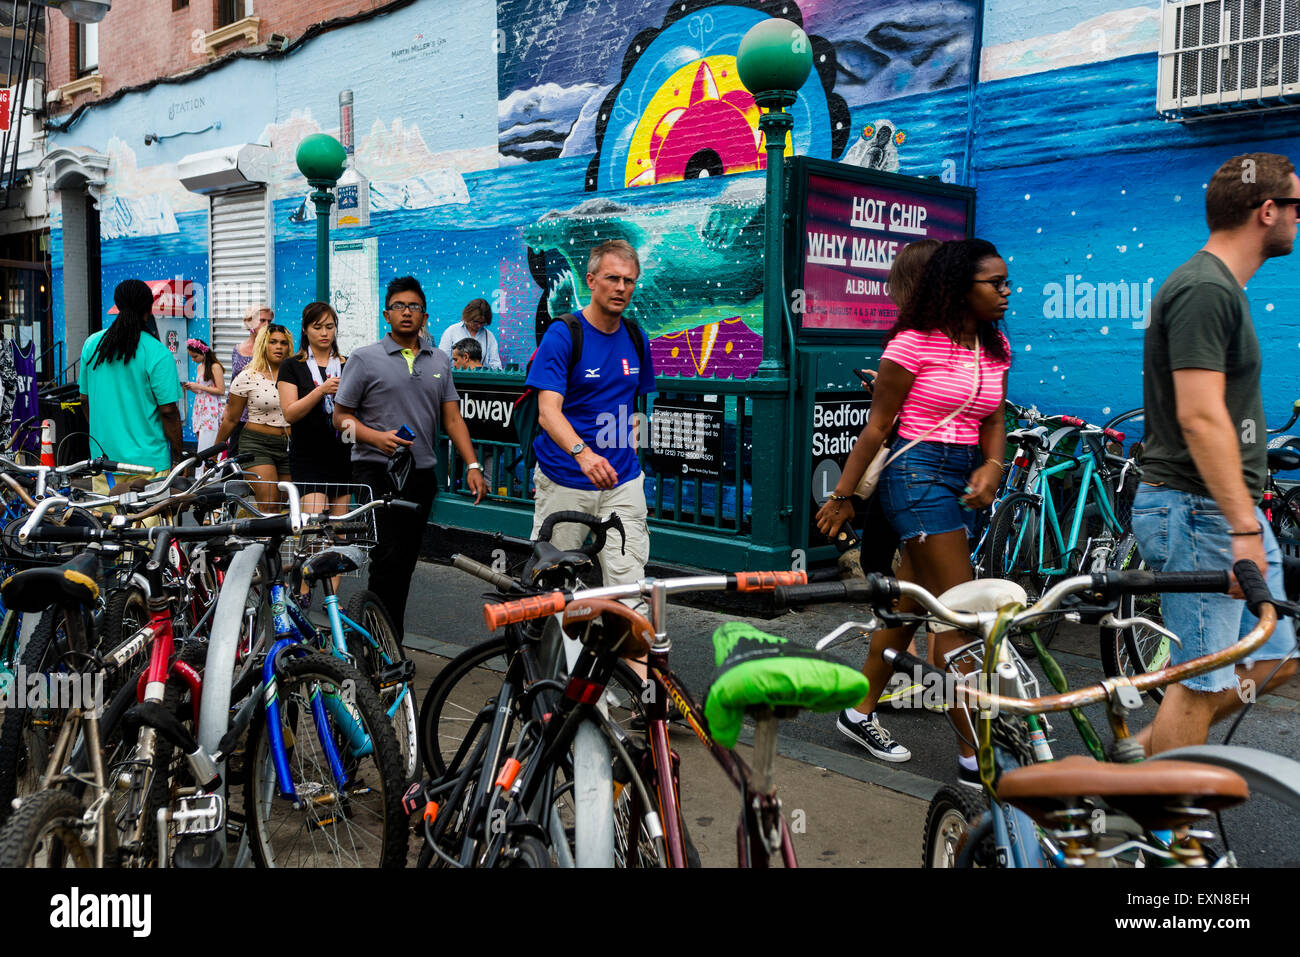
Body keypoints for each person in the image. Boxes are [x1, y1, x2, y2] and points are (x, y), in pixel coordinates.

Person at [815, 238, 1012, 788]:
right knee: (959, 616)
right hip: (916, 474)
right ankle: (976, 757)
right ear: (957, 287)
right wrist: (844, 495)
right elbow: (879, 426)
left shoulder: (994, 348)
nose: (1006, 293)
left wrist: (993, 466)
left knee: (908, 604)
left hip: (962, 474)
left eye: (1006, 283)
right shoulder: (912, 344)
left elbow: (994, 418)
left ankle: (857, 713)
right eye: (994, 284)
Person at [1132, 152, 1300, 755]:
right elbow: (1200, 417)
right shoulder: (1205, 288)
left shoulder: (1221, 287)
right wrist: (1242, 530)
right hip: (1201, 511)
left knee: (1276, 657)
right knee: (1202, 680)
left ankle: (1139, 762)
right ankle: (1161, 827)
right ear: (1267, 210)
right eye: (1296, 207)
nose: (1298, 221)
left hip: (1227, 511)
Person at [334, 277, 487, 639]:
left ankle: (383, 638)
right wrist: (375, 437)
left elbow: (452, 418)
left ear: (425, 316)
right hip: (375, 470)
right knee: (386, 557)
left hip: (420, 474)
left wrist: (474, 465)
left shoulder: (439, 361)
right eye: (400, 306)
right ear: (387, 314)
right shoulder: (364, 358)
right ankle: (383, 643)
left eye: (414, 307)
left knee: (404, 563)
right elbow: (340, 421)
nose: (407, 312)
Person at [527, 239, 655, 610]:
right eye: (612, 278)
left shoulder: (635, 336)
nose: (621, 288)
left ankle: (637, 670)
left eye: (629, 281)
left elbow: (631, 404)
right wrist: (584, 455)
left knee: (631, 591)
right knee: (554, 589)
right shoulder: (564, 333)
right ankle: (547, 667)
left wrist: (629, 448)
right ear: (591, 280)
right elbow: (547, 411)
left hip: (622, 482)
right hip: (566, 478)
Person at [277, 302, 352, 606]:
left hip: (341, 452)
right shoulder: (293, 366)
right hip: (308, 454)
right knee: (314, 527)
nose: (324, 333)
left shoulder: (347, 364)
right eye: (317, 327)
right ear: (305, 329)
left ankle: (332, 600)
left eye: (329, 326)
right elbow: (290, 413)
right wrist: (320, 391)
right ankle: (304, 589)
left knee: (340, 530)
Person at [79, 279, 183, 487]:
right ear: (148, 309)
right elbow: (169, 411)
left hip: (105, 463)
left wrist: (107, 433)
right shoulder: (157, 352)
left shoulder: (92, 345)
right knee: (148, 519)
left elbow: (84, 400)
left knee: (107, 518)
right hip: (149, 466)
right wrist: (179, 456)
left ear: (117, 306)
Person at [215, 324, 293, 514]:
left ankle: (250, 522)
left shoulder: (295, 375)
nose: (278, 347)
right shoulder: (247, 376)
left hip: (290, 446)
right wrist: (215, 449)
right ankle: (262, 540)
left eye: (283, 343)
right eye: (273, 342)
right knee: (269, 505)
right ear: (263, 345)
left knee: (281, 506)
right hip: (257, 445)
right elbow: (231, 419)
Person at [183, 337, 225, 453]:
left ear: (203, 352)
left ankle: (209, 469)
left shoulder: (215, 367)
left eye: (195, 356)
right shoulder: (199, 367)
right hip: (200, 408)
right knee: (201, 441)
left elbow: (221, 390)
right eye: (191, 356)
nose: (193, 359)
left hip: (211, 409)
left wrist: (198, 386)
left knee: (209, 441)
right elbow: (201, 391)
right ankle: (200, 471)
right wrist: (191, 388)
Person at [438, 298, 503, 370]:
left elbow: (496, 365)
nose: (479, 325)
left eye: (482, 323)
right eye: (476, 322)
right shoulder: (451, 332)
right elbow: (442, 361)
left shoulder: (489, 336)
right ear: (468, 316)